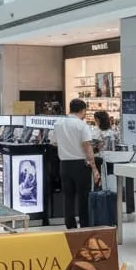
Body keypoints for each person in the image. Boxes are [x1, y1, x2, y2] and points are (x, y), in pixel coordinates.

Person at [51, 98, 100, 229]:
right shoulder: (81, 125)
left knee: (68, 196)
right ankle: (84, 225)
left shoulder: (59, 123)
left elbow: (53, 142)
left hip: (64, 164)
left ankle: (70, 225)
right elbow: (87, 146)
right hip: (81, 164)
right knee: (83, 196)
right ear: (83, 110)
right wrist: (94, 168)